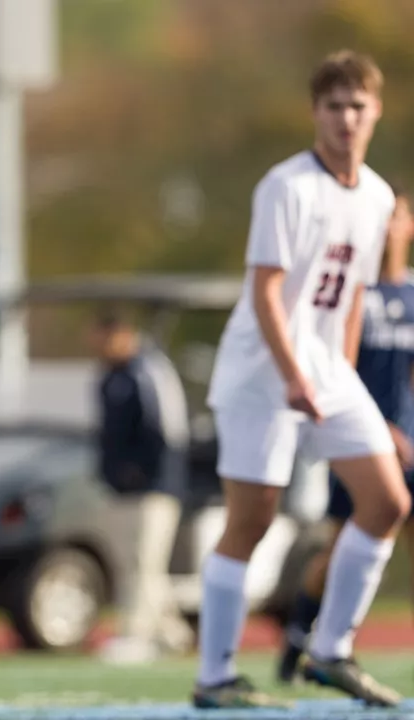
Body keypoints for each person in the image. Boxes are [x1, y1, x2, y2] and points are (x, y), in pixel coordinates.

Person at [194, 50, 408, 709]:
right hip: (262, 372)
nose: (346, 118)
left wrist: (343, 380)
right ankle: (216, 678)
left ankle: (331, 651)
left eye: (357, 106)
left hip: (324, 368)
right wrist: (292, 375)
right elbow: (267, 292)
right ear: (316, 113)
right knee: (251, 520)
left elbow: (349, 300)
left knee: (387, 502)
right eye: (334, 106)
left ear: (375, 113)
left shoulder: (375, 195)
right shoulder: (287, 186)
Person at [278, 185, 414, 683]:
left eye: (396, 216)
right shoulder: (353, 292)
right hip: (361, 441)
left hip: (409, 446)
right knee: (338, 548)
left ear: (409, 225)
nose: (386, 226)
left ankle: (330, 649)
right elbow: (339, 365)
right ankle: (298, 641)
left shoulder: (413, 294)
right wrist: (378, 426)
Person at [88, 312, 193, 664]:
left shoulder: (146, 371)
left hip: (153, 488)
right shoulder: (107, 377)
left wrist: (144, 474)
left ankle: (135, 634)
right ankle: (174, 634)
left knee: (144, 562)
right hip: (121, 489)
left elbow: (166, 430)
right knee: (135, 564)